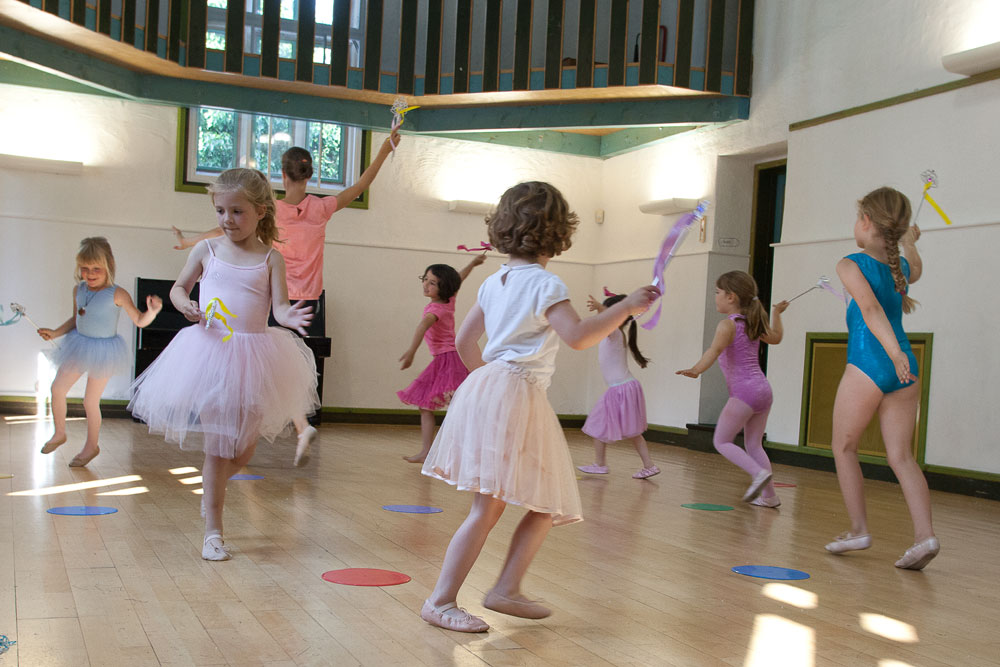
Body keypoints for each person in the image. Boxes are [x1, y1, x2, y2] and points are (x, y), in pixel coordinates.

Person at [418, 181, 660, 632]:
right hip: (515, 393)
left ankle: (505, 588)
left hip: (493, 389)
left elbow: (465, 342)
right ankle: (443, 600)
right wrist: (625, 307)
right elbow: (579, 337)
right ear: (558, 232)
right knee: (511, 505)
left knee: (539, 502)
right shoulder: (546, 283)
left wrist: (490, 385)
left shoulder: (494, 281)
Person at [172, 128, 399, 466]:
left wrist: (189, 242)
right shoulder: (321, 207)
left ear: (283, 174)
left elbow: (223, 229)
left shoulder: (272, 209)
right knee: (281, 370)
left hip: (270, 294)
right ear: (310, 174)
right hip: (303, 298)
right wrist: (384, 149)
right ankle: (298, 426)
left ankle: (285, 427)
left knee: (263, 366)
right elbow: (361, 185)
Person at [130, 168, 319, 561]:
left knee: (242, 452)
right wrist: (185, 304)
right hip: (210, 354)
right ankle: (213, 532)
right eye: (220, 211)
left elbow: (280, 308)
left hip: (256, 357)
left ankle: (211, 488)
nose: (227, 219)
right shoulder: (207, 250)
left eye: (237, 211)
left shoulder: (271, 259)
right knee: (217, 449)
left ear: (261, 211)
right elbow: (179, 288)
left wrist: (290, 317)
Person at [824, 186, 938, 569]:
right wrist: (911, 244)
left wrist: (892, 353)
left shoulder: (849, 264)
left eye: (858, 217)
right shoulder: (899, 266)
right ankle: (925, 536)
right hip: (906, 369)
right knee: (902, 457)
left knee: (844, 447)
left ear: (867, 220)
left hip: (870, 362)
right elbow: (916, 270)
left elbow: (870, 310)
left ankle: (858, 529)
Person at [37, 237, 162, 467]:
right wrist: (55, 333)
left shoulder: (117, 294)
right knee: (57, 388)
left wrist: (152, 312)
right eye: (84, 268)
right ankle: (59, 433)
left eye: (96, 269)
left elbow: (139, 320)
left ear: (108, 266)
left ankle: (91, 446)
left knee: (90, 401)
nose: (89, 274)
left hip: (104, 350)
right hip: (79, 344)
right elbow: (76, 319)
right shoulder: (79, 290)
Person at [677, 271, 788, 507]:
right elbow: (777, 337)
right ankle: (770, 497)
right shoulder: (753, 322)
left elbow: (714, 350)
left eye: (717, 292)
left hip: (745, 393)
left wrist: (697, 369)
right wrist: (777, 314)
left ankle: (758, 474)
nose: (715, 296)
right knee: (754, 445)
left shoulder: (728, 325)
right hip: (763, 391)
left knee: (722, 441)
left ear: (731, 297)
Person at [398, 254, 486, 463]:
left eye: (432, 283)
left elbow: (422, 326)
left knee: (456, 405)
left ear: (444, 287)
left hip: (449, 360)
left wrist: (411, 351)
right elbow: (459, 278)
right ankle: (428, 452)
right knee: (428, 406)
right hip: (445, 359)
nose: (426, 285)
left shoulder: (436, 309)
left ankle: (465, 450)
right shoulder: (449, 300)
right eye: (425, 279)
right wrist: (472, 264)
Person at [577, 292, 659, 479]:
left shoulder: (614, 333)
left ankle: (601, 464)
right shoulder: (612, 334)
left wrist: (600, 308)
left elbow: (609, 320)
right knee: (628, 430)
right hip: (623, 388)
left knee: (598, 423)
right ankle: (647, 465)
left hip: (621, 388)